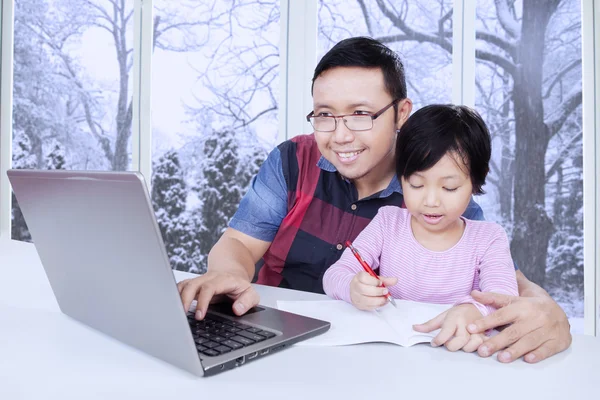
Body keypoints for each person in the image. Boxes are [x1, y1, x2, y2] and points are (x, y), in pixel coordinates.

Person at [177, 37, 572, 363]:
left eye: (361, 114)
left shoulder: (435, 195)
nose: (341, 135)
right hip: (264, 337)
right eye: (325, 115)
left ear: (401, 113)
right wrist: (227, 273)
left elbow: (500, 278)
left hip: (369, 359)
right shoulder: (291, 160)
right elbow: (240, 244)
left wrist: (548, 310)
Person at [322, 104, 518, 352]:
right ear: (401, 177)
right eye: (416, 184)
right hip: (390, 354)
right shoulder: (387, 222)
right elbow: (334, 275)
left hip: (459, 356)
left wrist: (473, 310)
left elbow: (505, 298)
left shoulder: (488, 238)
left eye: (449, 188)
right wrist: (353, 288)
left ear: (476, 180)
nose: (431, 201)